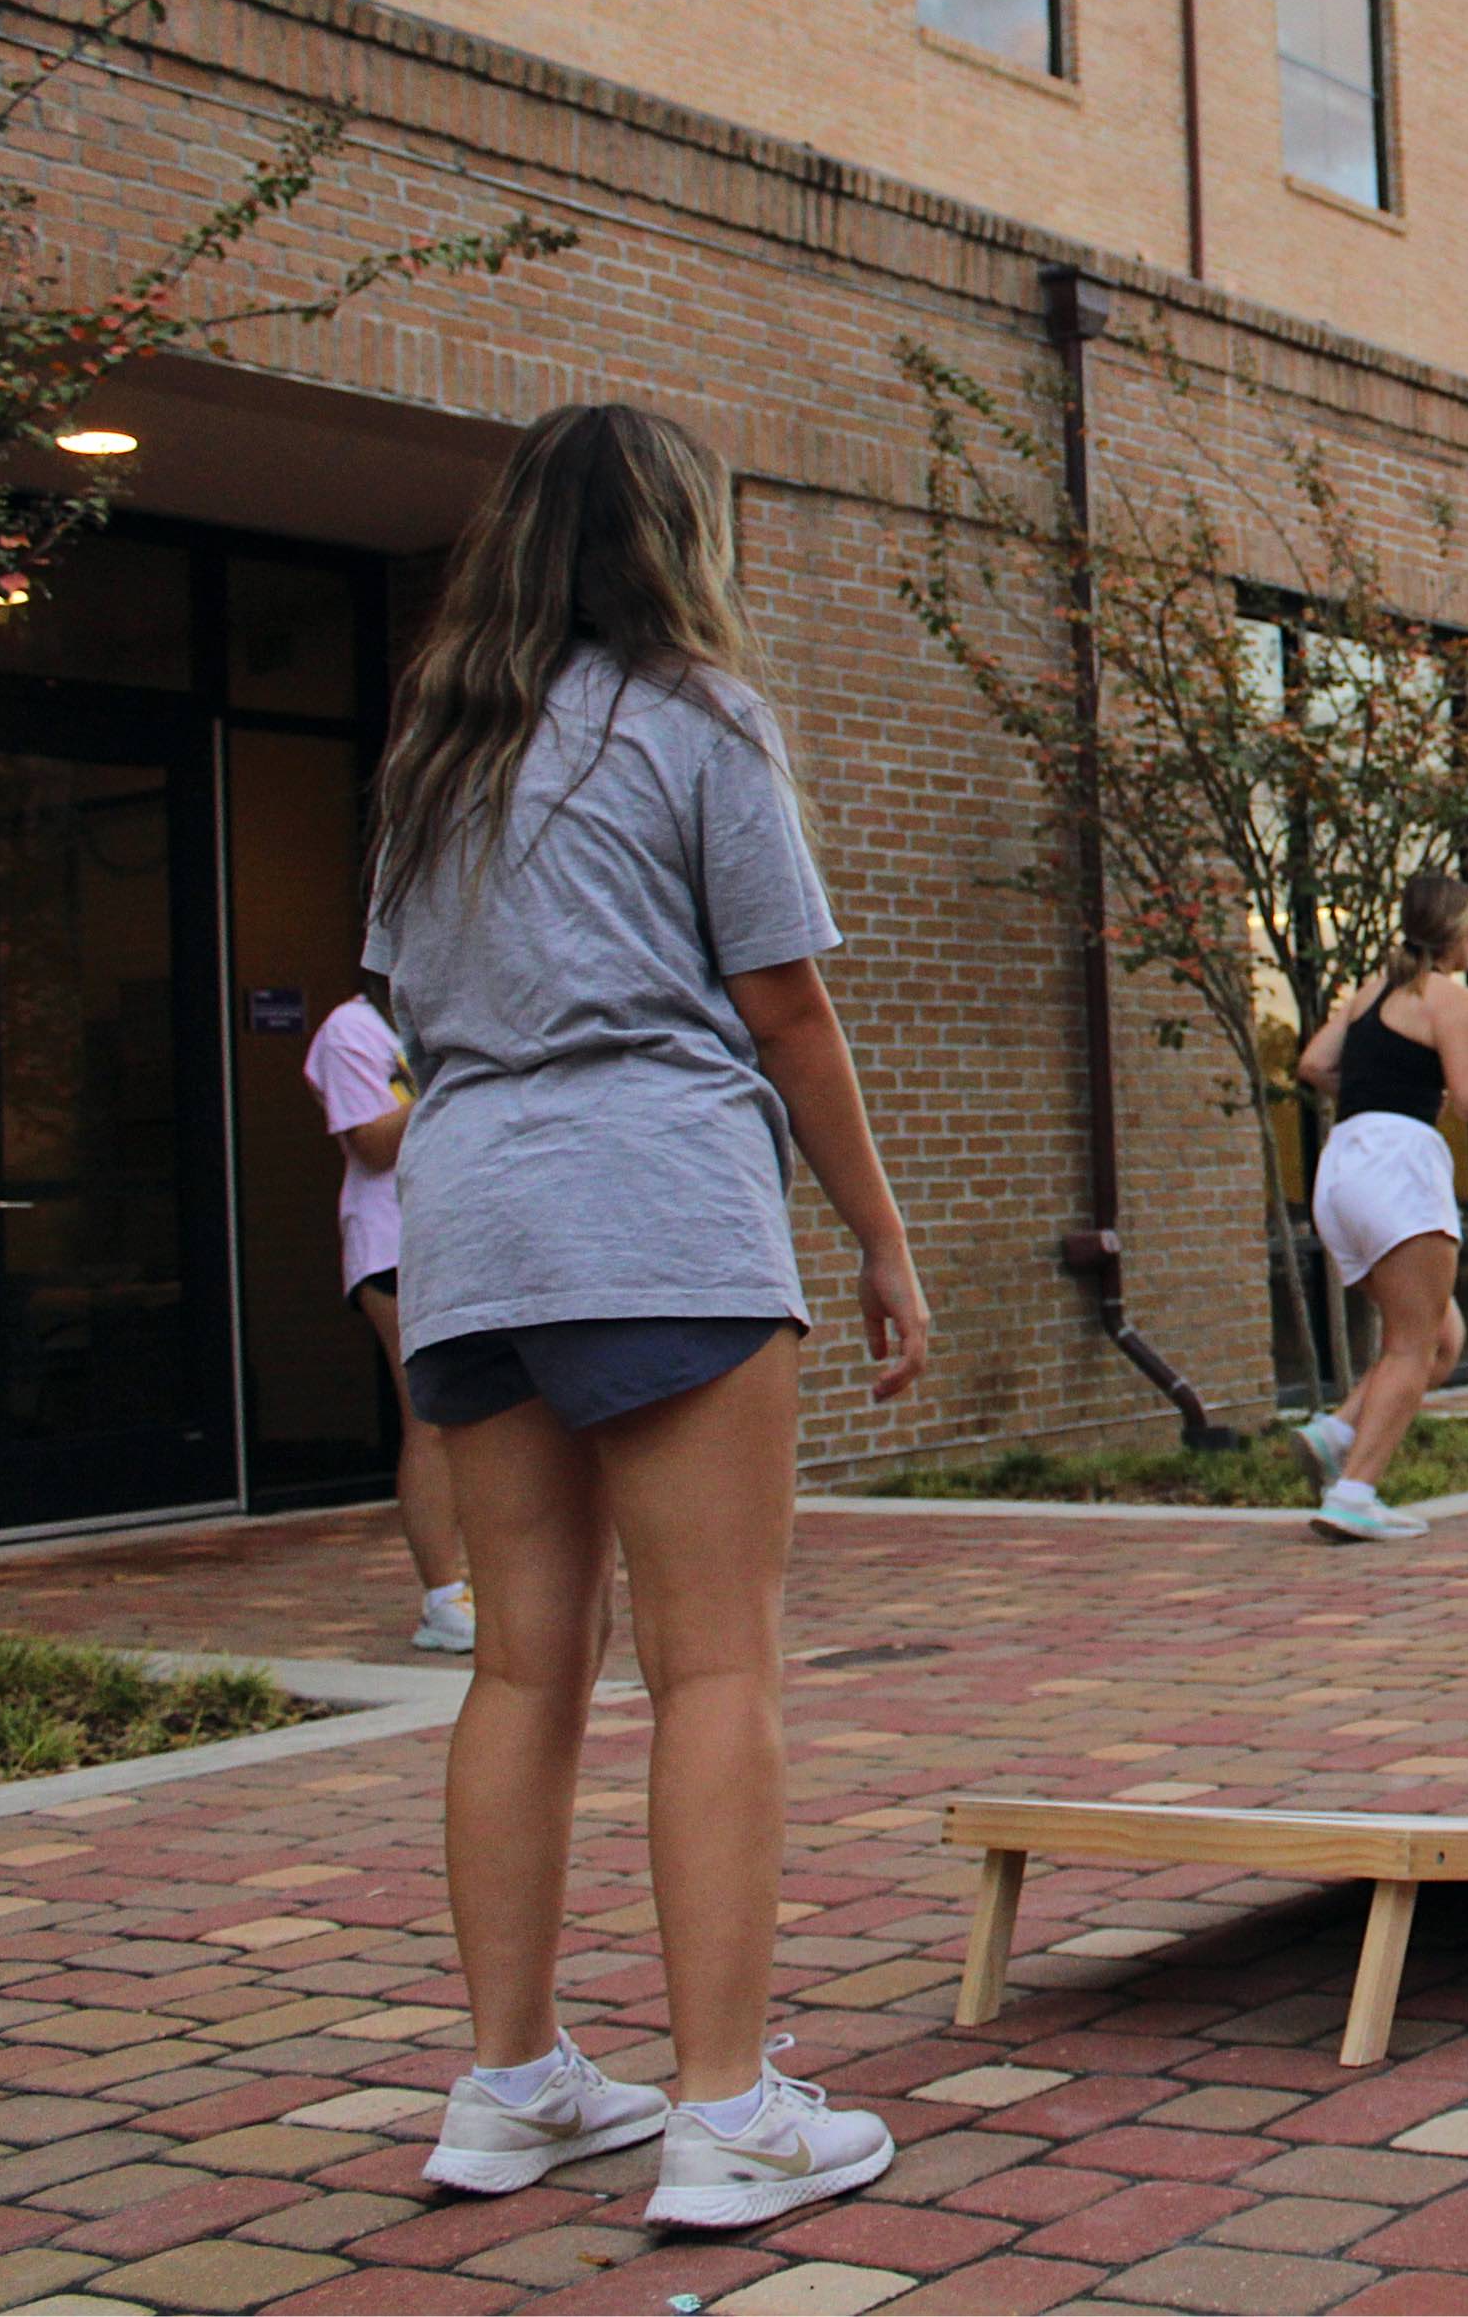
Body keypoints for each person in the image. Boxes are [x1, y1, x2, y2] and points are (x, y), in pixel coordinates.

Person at [367, 402, 930, 2228]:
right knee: (716, 1664)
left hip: (469, 1228)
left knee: (523, 1663)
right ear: (677, 538)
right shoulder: (702, 719)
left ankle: (511, 2082)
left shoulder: (441, 745)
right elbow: (783, 1007)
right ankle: (723, 2107)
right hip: (654, 1208)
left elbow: (415, 1002)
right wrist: (880, 1234)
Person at [1290, 872, 1468, 1543]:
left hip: (1342, 1168)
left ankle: (1335, 1434)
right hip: (1399, 1169)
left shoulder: (1370, 991)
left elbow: (1313, 1064)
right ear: (1463, 929)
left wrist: (1385, 1091)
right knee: (1411, 1347)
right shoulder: (1452, 998)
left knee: (1440, 1337)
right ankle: (1354, 1493)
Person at [302, 992, 471, 1653]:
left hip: (464, 1238)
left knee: (484, 1417)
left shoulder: (448, 1010)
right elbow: (372, 1142)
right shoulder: (351, 1029)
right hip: (394, 1247)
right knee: (430, 1419)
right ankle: (443, 1599)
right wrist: (457, 1070)